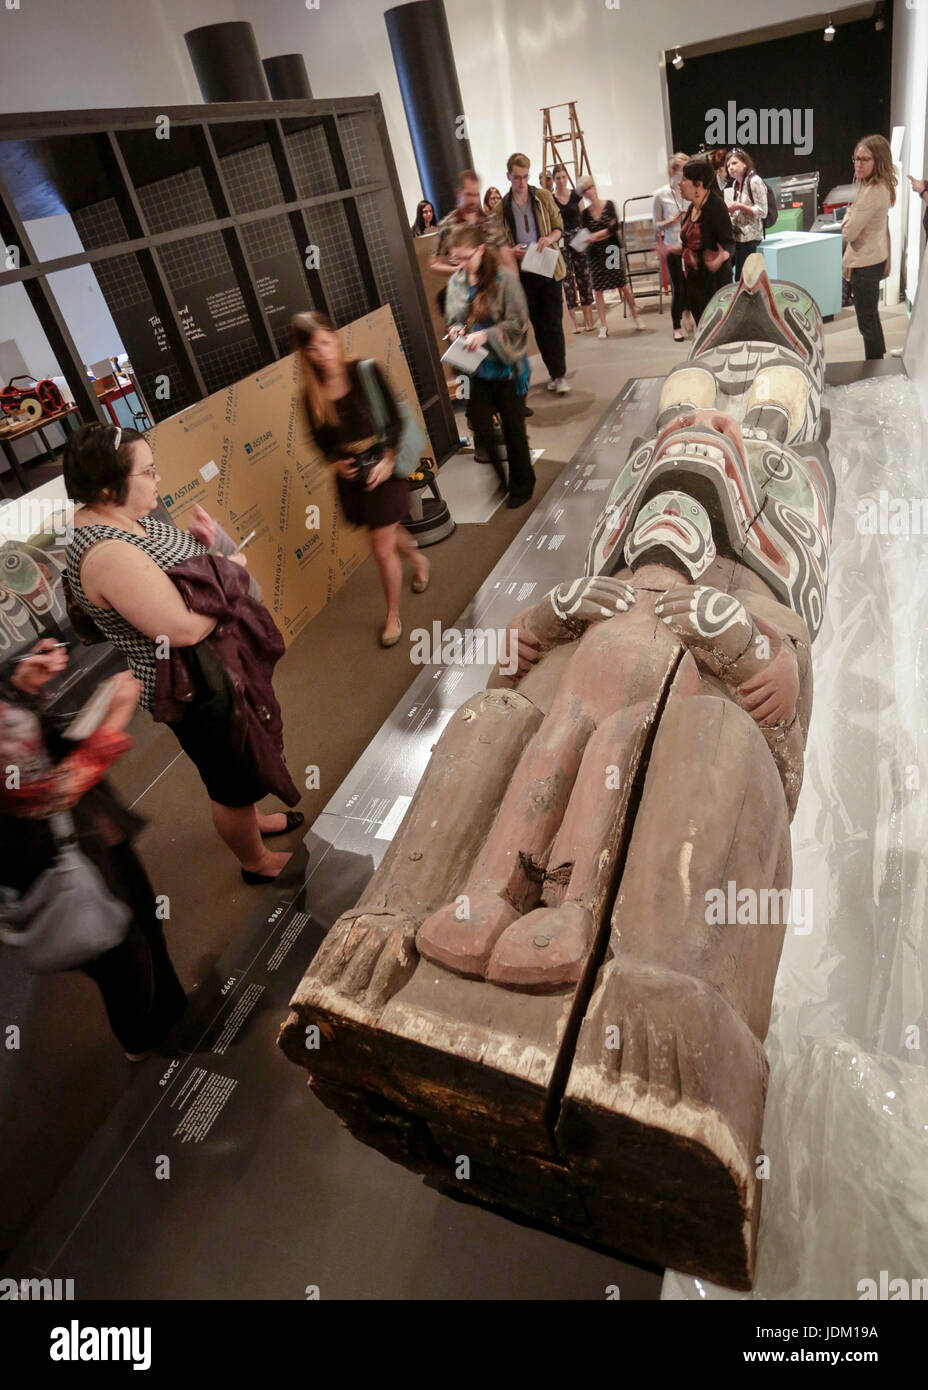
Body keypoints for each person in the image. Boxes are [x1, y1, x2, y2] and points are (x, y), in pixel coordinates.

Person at [63, 424, 301, 886]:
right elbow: (184, 628)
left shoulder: (132, 517)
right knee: (229, 781)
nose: (157, 480)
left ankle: (253, 818)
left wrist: (214, 548)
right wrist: (231, 572)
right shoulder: (107, 553)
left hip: (219, 671)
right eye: (147, 471)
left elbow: (192, 578)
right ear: (110, 484)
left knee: (246, 758)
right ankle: (254, 860)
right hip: (197, 689)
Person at [0, 641, 187, 1059]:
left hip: (78, 833)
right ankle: (143, 1036)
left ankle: (168, 1010)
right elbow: (45, 793)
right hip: (49, 854)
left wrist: (24, 684)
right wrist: (118, 715)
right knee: (117, 952)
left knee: (139, 921)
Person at [292, 312, 429, 647]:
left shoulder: (366, 370)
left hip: (385, 466)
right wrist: (335, 462)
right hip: (353, 477)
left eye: (326, 341)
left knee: (380, 548)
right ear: (305, 354)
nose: (322, 351)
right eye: (313, 348)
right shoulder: (310, 394)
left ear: (334, 337)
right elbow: (320, 440)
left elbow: (396, 419)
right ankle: (418, 558)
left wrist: (388, 458)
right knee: (385, 533)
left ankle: (392, 615)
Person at [445, 225, 535, 509]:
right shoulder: (457, 283)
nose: (461, 265)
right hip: (474, 369)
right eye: (456, 259)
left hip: (504, 366)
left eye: (466, 257)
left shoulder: (504, 279)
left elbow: (519, 322)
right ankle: (502, 479)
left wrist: (486, 335)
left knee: (513, 429)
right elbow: (455, 318)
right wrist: (456, 331)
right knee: (482, 429)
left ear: (481, 250)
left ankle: (523, 484)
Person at [494, 152, 570, 393]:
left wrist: (549, 239)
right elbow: (495, 244)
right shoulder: (501, 208)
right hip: (522, 272)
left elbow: (559, 228)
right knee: (537, 324)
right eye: (517, 177)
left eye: (525, 177)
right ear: (509, 176)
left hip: (547, 266)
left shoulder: (543, 197)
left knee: (554, 323)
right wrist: (509, 250)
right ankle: (553, 372)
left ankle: (559, 374)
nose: (522, 183)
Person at [843, 134, 896, 361]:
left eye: (865, 159)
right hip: (874, 258)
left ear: (879, 160)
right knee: (871, 317)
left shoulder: (872, 192)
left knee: (867, 322)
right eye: (856, 159)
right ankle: (878, 364)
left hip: (866, 263)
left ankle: (875, 367)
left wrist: (848, 214)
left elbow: (848, 232)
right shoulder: (880, 186)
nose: (858, 164)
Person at [576, 175, 644, 336]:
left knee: (622, 283)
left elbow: (613, 229)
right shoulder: (585, 214)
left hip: (611, 250)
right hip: (595, 254)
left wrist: (596, 235)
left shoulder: (609, 205)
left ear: (595, 187)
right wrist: (598, 235)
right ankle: (603, 326)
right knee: (598, 289)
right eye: (584, 191)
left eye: (590, 187)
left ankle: (636, 315)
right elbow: (586, 235)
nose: (588, 192)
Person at [679, 157, 735, 326]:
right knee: (702, 332)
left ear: (698, 184)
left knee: (716, 334)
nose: (679, 183)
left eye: (684, 179)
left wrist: (720, 257)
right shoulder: (692, 208)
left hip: (713, 285)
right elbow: (687, 245)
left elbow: (729, 243)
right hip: (694, 283)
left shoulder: (715, 206)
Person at [430, 169, 511, 279]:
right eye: (469, 195)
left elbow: (507, 257)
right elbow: (434, 264)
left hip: (493, 286)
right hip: (465, 290)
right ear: (459, 193)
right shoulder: (447, 225)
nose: (474, 200)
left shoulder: (491, 221)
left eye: (476, 195)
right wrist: (459, 269)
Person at [553, 164, 594, 334]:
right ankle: (573, 324)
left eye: (563, 177)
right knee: (566, 279)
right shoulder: (552, 198)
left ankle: (588, 320)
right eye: (558, 178)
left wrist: (587, 236)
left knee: (584, 275)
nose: (561, 181)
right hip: (562, 239)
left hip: (578, 236)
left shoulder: (575, 195)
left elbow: (583, 216)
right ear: (554, 180)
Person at [652, 153, 690, 341]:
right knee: (678, 287)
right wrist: (674, 219)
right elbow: (656, 224)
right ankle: (676, 326)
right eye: (683, 169)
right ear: (672, 171)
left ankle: (689, 314)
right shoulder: (661, 195)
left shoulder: (690, 190)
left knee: (692, 284)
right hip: (671, 245)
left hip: (689, 244)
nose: (685, 174)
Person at [725, 149, 768, 281]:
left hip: (750, 238)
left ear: (744, 164)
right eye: (728, 165)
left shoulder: (754, 181)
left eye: (734, 163)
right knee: (731, 274)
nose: (731, 168)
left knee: (743, 279)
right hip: (738, 236)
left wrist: (739, 206)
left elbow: (762, 211)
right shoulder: (736, 183)